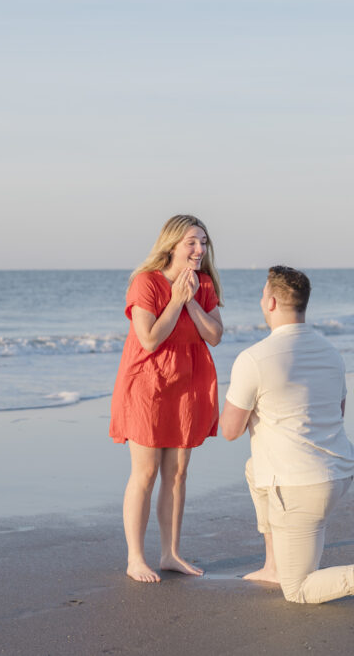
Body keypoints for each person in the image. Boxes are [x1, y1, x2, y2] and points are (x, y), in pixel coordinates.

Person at [219, 266, 354, 607]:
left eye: (262, 295)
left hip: (300, 487)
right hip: (338, 472)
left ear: (270, 302)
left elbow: (229, 431)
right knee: (252, 468)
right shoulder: (331, 353)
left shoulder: (254, 359)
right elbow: (337, 412)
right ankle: (273, 565)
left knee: (299, 589)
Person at [109, 214, 224, 583]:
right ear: (171, 244)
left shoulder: (203, 284)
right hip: (147, 384)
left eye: (203, 242)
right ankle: (135, 559)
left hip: (188, 384)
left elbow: (216, 334)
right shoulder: (146, 283)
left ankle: (171, 553)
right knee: (145, 472)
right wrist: (176, 300)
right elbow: (150, 339)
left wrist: (191, 302)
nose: (199, 249)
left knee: (177, 474)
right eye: (191, 242)